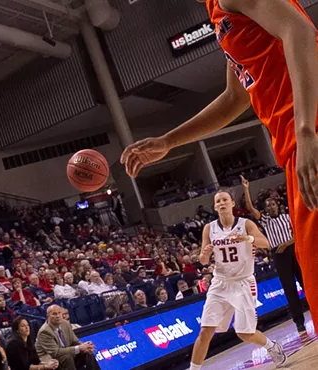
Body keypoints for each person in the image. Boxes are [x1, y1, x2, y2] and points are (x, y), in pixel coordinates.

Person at [121, 0, 318, 322]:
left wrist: (307, 130)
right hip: (296, 141)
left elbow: (300, 29)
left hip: (309, 133)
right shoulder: (218, 12)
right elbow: (234, 98)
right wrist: (169, 141)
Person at [188, 189, 285, 369]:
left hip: (243, 282)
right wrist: (205, 254)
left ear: (232, 203)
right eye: (218, 201)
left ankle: (272, 346)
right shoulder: (209, 228)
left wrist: (247, 238)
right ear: (215, 207)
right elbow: (202, 260)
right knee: (205, 331)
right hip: (220, 283)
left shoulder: (245, 223)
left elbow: (266, 243)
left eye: (225, 200)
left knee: (244, 333)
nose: (222, 203)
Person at [242, 175, 306, 332]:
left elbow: (298, 234)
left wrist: (286, 244)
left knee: (306, 282)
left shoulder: (287, 217)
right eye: (268, 206)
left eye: (272, 205)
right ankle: (299, 322)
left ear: (277, 206)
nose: (271, 207)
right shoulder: (265, 220)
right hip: (278, 255)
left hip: (293, 250)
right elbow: (250, 208)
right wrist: (246, 190)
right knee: (289, 288)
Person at [35, 305, 98, 370]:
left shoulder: (65, 323)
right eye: (54, 314)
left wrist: (85, 346)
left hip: (66, 354)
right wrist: (79, 348)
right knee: (67, 357)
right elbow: (55, 352)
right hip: (51, 359)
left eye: (59, 313)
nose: (58, 316)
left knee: (87, 352)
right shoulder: (45, 331)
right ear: (48, 316)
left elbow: (75, 341)